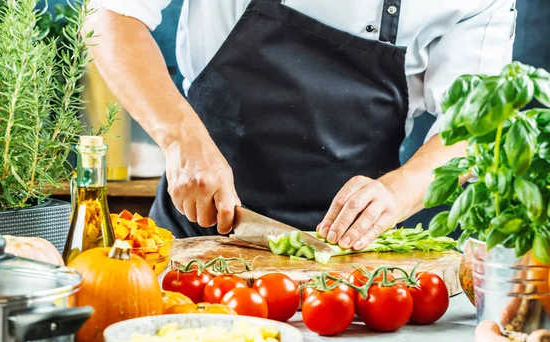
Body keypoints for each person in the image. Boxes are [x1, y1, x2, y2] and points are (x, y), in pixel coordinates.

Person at [84, 0, 516, 250]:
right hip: (196, 236)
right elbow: (109, 16)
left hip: (348, 261)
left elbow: (474, 123)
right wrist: (181, 139)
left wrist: (396, 194)